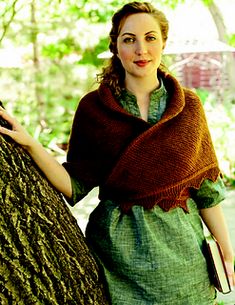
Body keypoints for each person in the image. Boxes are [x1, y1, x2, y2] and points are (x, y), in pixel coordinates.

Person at [0, 2, 234, 304]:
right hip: (118, 259)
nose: (141, 49)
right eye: (129, 39)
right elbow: (75, 184)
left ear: (163, 42)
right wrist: (31, 143)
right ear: (116, 45)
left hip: (184, 259)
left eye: (150, 38)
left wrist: (225, 249)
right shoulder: (94, 109)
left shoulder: (188, 107)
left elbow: (207, 191)